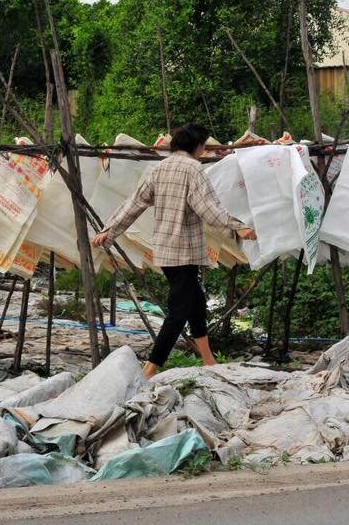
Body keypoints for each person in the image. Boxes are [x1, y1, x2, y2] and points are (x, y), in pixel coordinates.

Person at [91, 123, 256, 379]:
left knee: (196, 301)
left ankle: (208, 360)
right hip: (185, 251)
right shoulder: (193, 169)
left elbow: (134, 203)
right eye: (203, 146)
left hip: (165, 252)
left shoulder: (160, 168)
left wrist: (109, 230)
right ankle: (150, 369)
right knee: (179, 311)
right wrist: (238, 227)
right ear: (197, 146)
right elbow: (207, 208)